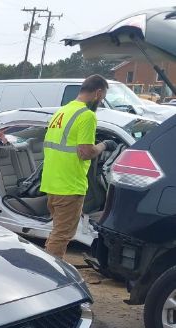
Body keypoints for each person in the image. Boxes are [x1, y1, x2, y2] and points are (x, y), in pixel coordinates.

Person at [40, 74, 117, 259]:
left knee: (57, 232)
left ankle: (48, 264)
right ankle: (51, 275)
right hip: (69, 185)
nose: (101, 101)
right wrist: (105, 145)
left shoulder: (63, 111)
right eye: (103, 97)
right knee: (62, 235)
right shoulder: (87, 115)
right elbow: (85, 152)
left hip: (52, 183)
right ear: (98, 93)